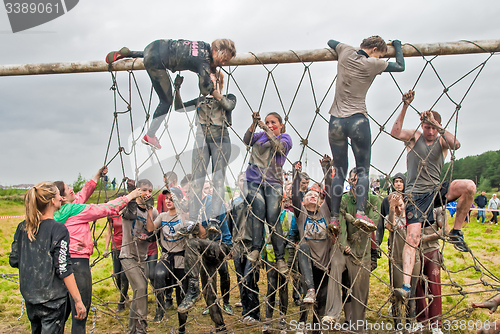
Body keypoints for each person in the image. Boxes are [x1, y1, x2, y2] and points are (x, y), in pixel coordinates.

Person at [390, 90, 476, 303]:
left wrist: (436, 125)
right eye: (426, 126)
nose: (429, 130)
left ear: (438, 126)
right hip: (415, 195)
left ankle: (456, 231)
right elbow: (394, 132)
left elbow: (456, 144)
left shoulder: (442, 141)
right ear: (421, 126)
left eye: (432, 127)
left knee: (469, 186)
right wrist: (405, 106)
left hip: (436, 191)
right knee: (413, 238)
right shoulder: (414, 137)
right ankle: (407, 286)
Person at [326, 36, 404, 235]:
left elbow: (331, 42)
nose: (381, 56)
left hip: (335, 120)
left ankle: (334, 217)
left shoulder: (345, 51)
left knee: (340, 171)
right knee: (363, 171)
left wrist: (346, 49)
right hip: (357, 120)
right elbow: (400, 66)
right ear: (376, 49)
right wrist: (397, 46)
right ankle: (360, 212)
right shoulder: (374, 63)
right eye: (381, 53)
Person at [53, 167, 142, 334]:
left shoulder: (60, 210)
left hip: (60, 264)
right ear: (62, 197)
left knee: (61, 313)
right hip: (77, 265)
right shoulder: (75, 211)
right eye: (68, 188)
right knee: (80, 314)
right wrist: (130, 196)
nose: (73, 189)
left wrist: (96, 177)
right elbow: (103, 209)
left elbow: (81, 195)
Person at [106, 39, 237, 149]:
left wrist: (211, 70)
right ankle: (150, 135)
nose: (223, 63)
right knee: (166, 100)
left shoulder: (203, 45)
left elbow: (197, 59)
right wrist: (212, 89)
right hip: (156, 62)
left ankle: (128, 53)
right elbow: (204, 89)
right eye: (223, 59)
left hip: (155, 45)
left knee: (151, 54)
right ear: (215, 51)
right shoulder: (203, 61)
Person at [9, 182, 86, 334]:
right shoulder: (58, 229)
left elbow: (14, 260)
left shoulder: (22, 227)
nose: (61, 198)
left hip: (30, 297)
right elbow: (63, 267)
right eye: (59, 195)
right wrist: (78, 300)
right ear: (52, 200)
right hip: (53, 301)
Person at [175, 70, 236, 232]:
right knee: (197, 179)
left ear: (219, 81)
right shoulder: (200, 100)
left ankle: (214, 218)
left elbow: (229, 106)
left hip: (221, 138)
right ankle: (193, 220)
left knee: (218, 178)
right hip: (201, 138)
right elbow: (178, 108)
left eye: (211, 78)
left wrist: (213, 91)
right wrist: (177, 89)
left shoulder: (229, 96)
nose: (207, 80)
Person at [323, 167, 380, 332]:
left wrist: (351, 218)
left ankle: (357, 327)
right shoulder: (344, 199)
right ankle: (333, 313)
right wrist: (342, 244)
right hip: (344, 247)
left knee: (360, 292)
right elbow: (340, 223)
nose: (355, 183)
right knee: (335, 263)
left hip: (362, 251)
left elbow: (371, 224)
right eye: (353, 180)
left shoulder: (373, 200)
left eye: (358, 180)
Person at [244, 111, 293, 275]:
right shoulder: (259, 136)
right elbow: (246, 140)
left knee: (273, 217)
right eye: (267, 122)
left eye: (273, 122)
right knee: (257, 213)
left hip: (273, 182)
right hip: (254, 180)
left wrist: (266, 128)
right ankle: (256, 249)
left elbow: (279, 149)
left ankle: (279, 258)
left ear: (280, 125)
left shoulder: (285, 138)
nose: (270, 125)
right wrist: (254, 124)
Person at [290, 157, 333, 334]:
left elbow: (330, 193)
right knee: (307, 294)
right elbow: (294, 195)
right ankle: (302, 321)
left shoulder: (325, 211)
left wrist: (326, 170)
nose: (313, 196)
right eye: (309, 195)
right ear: (304, 201)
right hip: (308, 263)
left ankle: (316, 329)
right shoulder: (301, 214)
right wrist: (295, 174)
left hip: (325, 263)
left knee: (321, 299)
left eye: (315, 195)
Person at [176, 200, 233, 333]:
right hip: (207, 252)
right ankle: (220, 326)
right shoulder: (194, 208)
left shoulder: (211, 204)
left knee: (192, 244)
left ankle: (193, 288)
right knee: (209, 292)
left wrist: (197, 222)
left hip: (221, 246)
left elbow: (202, 234)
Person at [150, 189, 194, 334]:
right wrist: (149, 208)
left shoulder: (183, 217)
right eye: (166, 199)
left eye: (172, 198)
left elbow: (190, 226)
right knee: (158, 274)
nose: (168, 201)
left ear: (179, 200)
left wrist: (182, 208)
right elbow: (150, 228)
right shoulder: (162, 216)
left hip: (181, 257)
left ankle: (182, 327)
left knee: (181, 293)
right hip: (166, 256)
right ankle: (160, 308)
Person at [119, 178, 158, 334]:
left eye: (149, 190)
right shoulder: (128, 206)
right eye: (143, 190)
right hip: (127, 255)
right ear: (137, 190)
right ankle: (141, 326)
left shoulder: (153, 211)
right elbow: (127, 214)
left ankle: (132, 330)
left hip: (142, 257)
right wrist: (132, 195)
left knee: (139, 292)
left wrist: (149, 209)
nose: (147, 193)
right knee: (141, 287)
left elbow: (150, 229)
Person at [384, 190, 421, 331]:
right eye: (396, 206)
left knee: (412, 294)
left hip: (414, 260)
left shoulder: (412, 217)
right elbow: (390, 227)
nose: (400, 209)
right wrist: (392, 208)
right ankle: (398, 326)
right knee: (397, 294)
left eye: (401, 205)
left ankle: (410, 323)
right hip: (397, 260)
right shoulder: (389, 216)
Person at [228, 171, 261, 325]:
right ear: (237, 183)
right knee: (241, 280)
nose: (244, 182)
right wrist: (230, 247)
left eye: (247, 180)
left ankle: (255, 312)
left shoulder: (256, 202)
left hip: (252, 247)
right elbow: (229, 226)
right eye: (241, 180)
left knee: (250, 279)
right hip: (237, 246)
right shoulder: (234, 203)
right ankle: (245, 311)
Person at [262, 189, 295, 334]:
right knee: (270, 288)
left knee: (283, 288)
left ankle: (282, 318)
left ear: (282, 201)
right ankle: (268, 320)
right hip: (270, 257)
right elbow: (263, 237)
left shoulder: (290, 216)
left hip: (285, 258)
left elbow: (294, 235)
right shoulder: (265, 218)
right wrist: (262, 257)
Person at [415, 206, 448, 334]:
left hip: (432, 251)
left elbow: (444, 230)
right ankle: (421, 321)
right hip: (415, 252)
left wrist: (423, 238)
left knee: (434, 288)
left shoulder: (438, 208)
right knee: (417, 287)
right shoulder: (413, 204)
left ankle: (436, 324)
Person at [104, 204, 129, 313]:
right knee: (117, 275)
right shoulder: (112, 215)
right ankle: (124, 293)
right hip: (116, 247)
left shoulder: (128, 215)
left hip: (127, 247)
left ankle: (122, 301)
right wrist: (105, 248)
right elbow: (109, 232)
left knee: (124, 275)